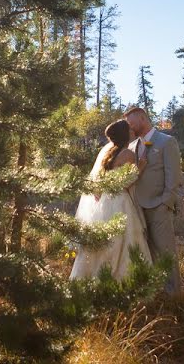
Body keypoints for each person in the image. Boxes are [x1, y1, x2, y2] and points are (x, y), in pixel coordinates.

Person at [69, 119, 152, 280]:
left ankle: (91, 276)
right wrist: (140, 168)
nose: (132, 131)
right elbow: (126, 183)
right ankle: (121, 278)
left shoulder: (107, 153)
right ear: (124, 134)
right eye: (129, 129)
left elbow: (98, 185)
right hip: (120, 201)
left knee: (107, 241)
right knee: (124, 240)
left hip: (105, 202)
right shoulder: (127, 154)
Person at [124, 106, 182, 294]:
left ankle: (173, 295)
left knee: (166, 253)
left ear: (142, 118)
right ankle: (157, 292)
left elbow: (173, 175)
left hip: (159, 207)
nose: (130, 127)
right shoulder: (132, 147)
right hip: (137, 209)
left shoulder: (166, 142)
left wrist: (166, 203)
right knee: (147, 252)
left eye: (131, 123)